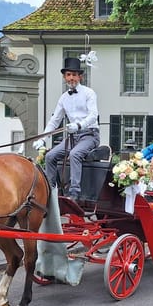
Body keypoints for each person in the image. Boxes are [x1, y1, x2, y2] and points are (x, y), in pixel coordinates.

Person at [33, 57, 99, 201]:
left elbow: (94, 115)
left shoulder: (89, 93)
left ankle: (74, 193)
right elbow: (54, 120)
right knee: (50, 156)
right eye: (68, 75)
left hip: (90, 135)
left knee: (74, 154)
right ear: (64, 77)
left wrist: (79, 125)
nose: (71, 78)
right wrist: (42, 139)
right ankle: (51, 190)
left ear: (80, 76)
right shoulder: (63, 98)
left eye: (74, 75)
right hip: (73, 138)